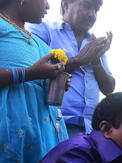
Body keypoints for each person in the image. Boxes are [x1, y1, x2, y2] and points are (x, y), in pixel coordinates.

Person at [0, 0, 69, 163]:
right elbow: (27, 74)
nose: (48, 5)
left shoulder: (39, 42)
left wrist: (54, 80)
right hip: (8, 127)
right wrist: (28, 73)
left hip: (39, 132)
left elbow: (38, 81)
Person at [28, 0, 115, 137]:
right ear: (66, 5)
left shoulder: (95, 43)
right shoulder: (43, 30)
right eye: (86, 6)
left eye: (96, 10)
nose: (92, 14)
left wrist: (95, 61)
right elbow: (32, 70)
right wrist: (79, 60)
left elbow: (109, 88)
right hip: (52, 123)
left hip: (90, 129)